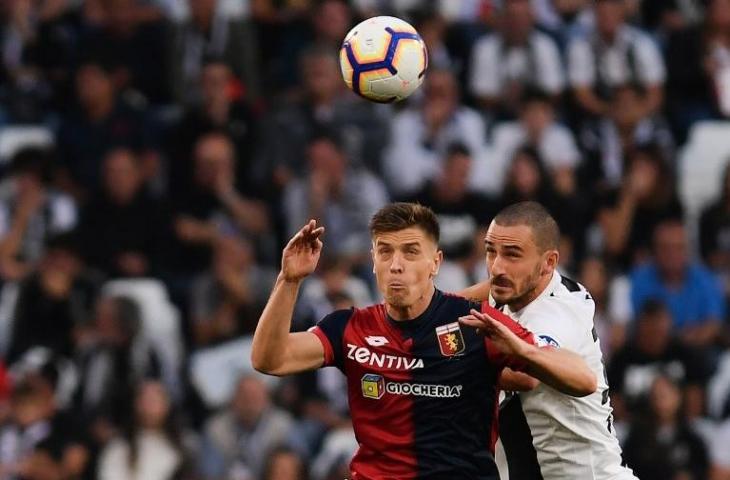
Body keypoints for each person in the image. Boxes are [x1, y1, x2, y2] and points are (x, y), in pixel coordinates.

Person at [251, 202, 596, 478]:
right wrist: (289, 279)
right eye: (385, 252)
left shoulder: (474, 323)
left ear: (436, 263)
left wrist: (522, 349)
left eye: (411, 252)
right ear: (373, 262)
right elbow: (270, 359)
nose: (396, 265)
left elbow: (582, 379)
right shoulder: (350, 327)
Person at [460, 201, 637, 479]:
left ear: (549, 263)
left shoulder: (554, 315)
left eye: (512, 255)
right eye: (490, 252)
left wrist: (444, 359)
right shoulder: (520, 288)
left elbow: (526, 376)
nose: (497, 267)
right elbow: (464, 301)